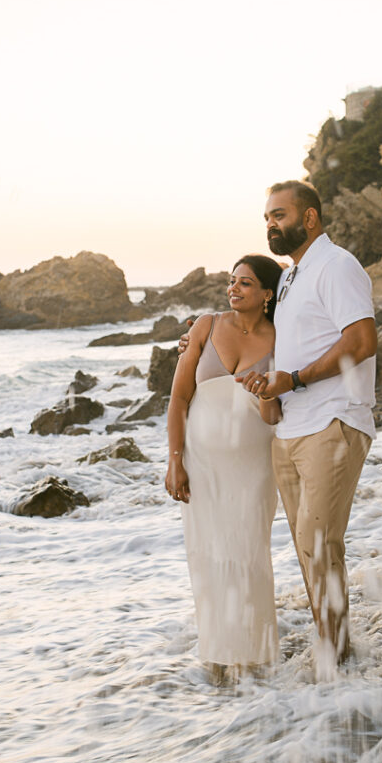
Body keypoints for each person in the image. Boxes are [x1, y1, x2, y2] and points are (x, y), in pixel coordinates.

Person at [237, 180, 377, 667]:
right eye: (267, 218)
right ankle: (333, 650)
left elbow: (361, 341)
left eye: (279, 215)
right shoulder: (293, 276)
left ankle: (335, 659)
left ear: (310, 218)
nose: (271, 225)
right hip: (291, 429)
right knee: (308, 549)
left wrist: (293, 379)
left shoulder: (336, 266)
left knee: (320, 544)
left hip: (333, 420)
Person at [165, 255, 283, 674]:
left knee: (250, 555)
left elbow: (272, 415)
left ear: (267, 294)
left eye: (246, 283)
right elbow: (179, 399)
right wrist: (174, 460)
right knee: (209, 556)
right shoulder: (205, 326)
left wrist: (267, 393)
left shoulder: (282, 338)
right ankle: (217, 658)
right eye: (232, 281)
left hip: (254, 467)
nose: (233, 289)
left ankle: (256, 659)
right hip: (202, 464)